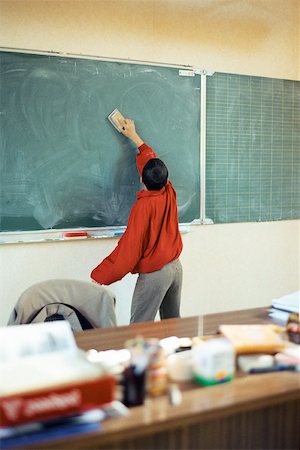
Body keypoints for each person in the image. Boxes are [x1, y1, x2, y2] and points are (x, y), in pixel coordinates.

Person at [90, 117, 183, 323]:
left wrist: (101, 274)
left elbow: (129, 250)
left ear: (142, 179)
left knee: (139, 328)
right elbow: (151, 160)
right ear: (165, 177)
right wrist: (133, 135)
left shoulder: (143, 207)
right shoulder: (169, 190)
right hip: (175, 268)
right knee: (173, 324)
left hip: (156, 275)